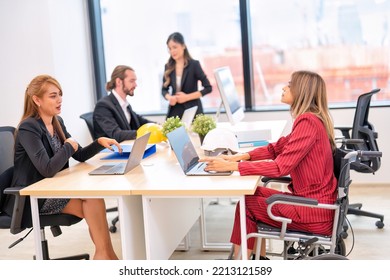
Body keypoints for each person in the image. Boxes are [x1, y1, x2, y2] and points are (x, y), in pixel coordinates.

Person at [200, 70, 337, 260]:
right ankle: (255, 260)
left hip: (312, 211)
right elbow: (277, 148)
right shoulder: (310, 119)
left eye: (289, 84)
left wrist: (233, 168)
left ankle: (241, 264)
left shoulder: (308, 122)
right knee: (250, 196)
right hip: (314, 206)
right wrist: (239, 157)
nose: (284, 87)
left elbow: (280, 167)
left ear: (302, 91)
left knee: (247, 203)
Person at [12, 75, 121, 260]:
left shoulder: (57, 122)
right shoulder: (28, 128)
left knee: (93, 198)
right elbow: (47, 169)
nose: (60, 99)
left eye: (60, 94)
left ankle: (105, 256)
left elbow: (79, 154)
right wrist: (68, 146)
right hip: (35, 196)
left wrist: (99, 143)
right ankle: (106, 257)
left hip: (54, 188)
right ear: (37, 100)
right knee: (93, 203)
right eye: (53, 96)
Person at [93, 65, 154, 142]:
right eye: (132, 81)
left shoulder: (124, 104)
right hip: (112, 151)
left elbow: (140, 121)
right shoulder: (103, 106)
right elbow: (116, 134)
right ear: (119, 82)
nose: (135, 85)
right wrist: (145, 133)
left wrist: (158, 126)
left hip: (125, 147)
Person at [162, 32, 212, 119]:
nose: (172, 51)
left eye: (175, 47)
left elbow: (208, 88)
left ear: (183, 46)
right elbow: (164, 90)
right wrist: (170, 97)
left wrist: (186, 97)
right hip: (175, 111)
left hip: (193, 110)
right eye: (169, 48)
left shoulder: (194, 65)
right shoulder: (168, 66)